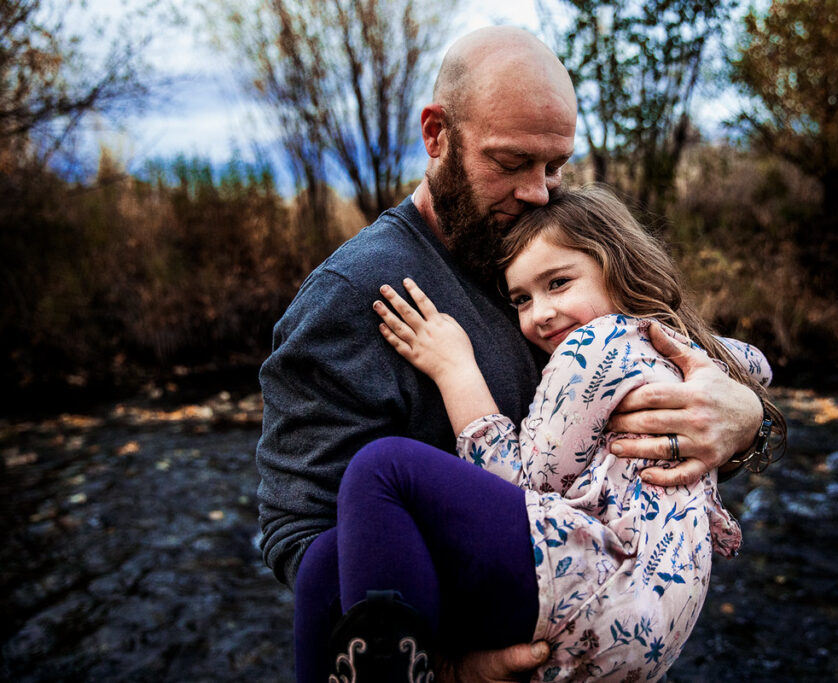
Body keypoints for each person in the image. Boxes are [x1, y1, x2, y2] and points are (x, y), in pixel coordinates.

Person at [256, 26, 767, 683]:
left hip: (595, 619)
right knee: (380, 480)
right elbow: (301, 538)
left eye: (554, 167)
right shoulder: (357, 294)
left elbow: (652, 420)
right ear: (436, 135)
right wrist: (448, 668)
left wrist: (749, 422)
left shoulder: (549, 259)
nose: (538, 192)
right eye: (512, 162)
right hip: (492, 643)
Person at [325, 184, 784, 681]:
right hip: (652, 626)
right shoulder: (673, 343)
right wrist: (745, 402)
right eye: (521, 298)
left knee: (383, 468)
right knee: (323, 571)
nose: (540, 313)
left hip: (599, 592)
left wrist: (454, 369)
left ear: (618, 264)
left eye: (559, 283)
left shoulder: (592, 345)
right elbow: (757, 364)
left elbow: (523, 488)